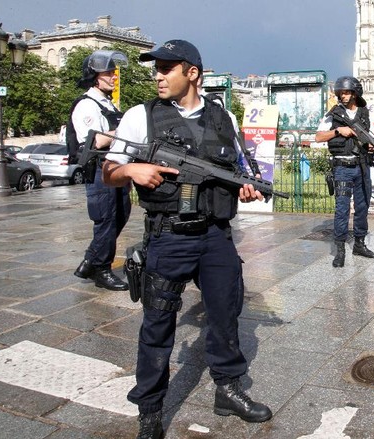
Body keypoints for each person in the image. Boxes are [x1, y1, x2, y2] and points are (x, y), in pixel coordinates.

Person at [100, 40, 271, 439]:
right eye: (156, 69)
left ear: (192, 72)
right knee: (157, 325)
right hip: (169, 237)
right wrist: (132, 172)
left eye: (166, 68)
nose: (157, 75)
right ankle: (150, 409)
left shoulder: (223, 116)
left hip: (216, 237)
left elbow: (237, 170)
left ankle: (228, 389)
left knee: (226, 315)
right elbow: (108, 170)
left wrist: (246, 189)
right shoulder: (140, 117)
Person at [71, 50, 131, 291]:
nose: (114, 77)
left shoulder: (106, 103)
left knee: (121, 213)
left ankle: (90, 260)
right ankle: (101, 269)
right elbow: (95, 141)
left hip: (115, 167)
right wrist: (126, 129)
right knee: (106, 218)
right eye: (109, 73)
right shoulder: (86, 105)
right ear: (95, 77)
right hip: (99, 169)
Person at [315, 76, 374, 267]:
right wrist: (339, 131)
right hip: (342, 168)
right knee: (342, 209)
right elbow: (318, 137)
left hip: (362, 166)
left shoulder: (364, 113)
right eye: (341, 92)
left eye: (347, 92)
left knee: (362, 207)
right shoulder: (333, 114)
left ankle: (359, 244)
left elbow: (366, 139)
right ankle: (339, 249)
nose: (344, 95)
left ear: (356, 93)